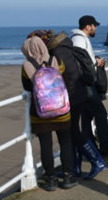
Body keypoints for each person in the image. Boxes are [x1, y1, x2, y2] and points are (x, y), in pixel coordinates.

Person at [21, 36, 77, 191]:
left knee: (46, 145)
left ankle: (51, 179)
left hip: (41, 114)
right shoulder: (56, 60)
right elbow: (64, 79)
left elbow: (27, 88)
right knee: (65, 143)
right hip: (61, 110)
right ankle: (67, 176)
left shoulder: (26, 66)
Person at [48, 32, 106, 180]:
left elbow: (60, 76)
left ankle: (96, 161)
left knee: (73, 133)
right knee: (73, 132)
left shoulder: (59, 54)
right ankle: (75, 168)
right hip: (80, 95)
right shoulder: (70, 49)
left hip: (71, 98)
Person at [71, 15, 108, 156]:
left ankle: (90, 146)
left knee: (87, 116)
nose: (96, 28)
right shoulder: (80, 40)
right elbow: (81, 63)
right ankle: (105, 146)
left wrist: (94, 60)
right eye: (94, 26)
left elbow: (82, 59)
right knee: (100, 113)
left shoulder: (77, 38)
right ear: (88, 26)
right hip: (85, 84)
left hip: (82, 84)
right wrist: (95, 63)